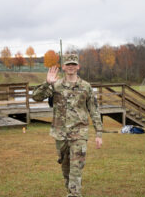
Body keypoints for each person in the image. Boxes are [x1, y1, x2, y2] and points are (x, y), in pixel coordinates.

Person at [32, 54, 103, 197]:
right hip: (60, 134)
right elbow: (36, 96)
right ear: (63, 67)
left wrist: (99, 133)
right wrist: (47, 83)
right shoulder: (56, 85)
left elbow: (94, 110)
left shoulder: (86, 87)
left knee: (76, 168)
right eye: (68, 64)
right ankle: (71, 190)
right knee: (66, 168)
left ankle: (74, 194)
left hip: (79, 134)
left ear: (78, 67)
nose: (71, 67)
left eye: (73, 64)